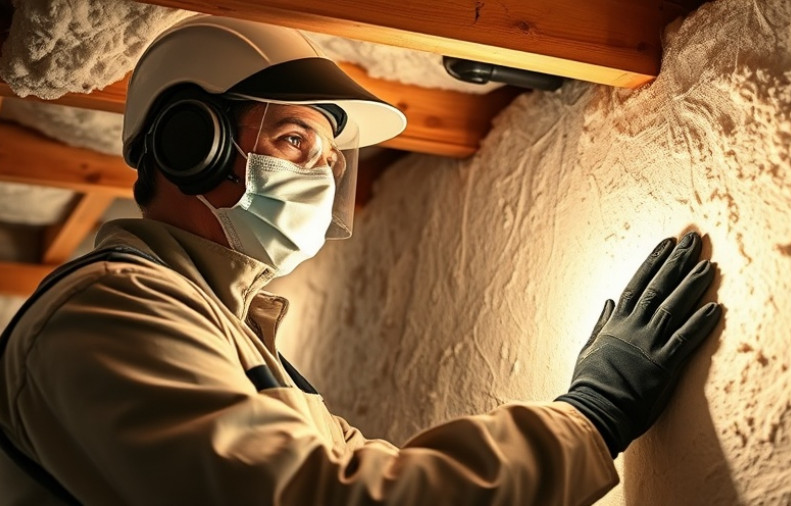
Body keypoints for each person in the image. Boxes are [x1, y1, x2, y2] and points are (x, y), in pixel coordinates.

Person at [0, 15, 722, 506]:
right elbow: (327, 496)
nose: (318, 176)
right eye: (294, 141)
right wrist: (588, 418)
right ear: (191, 143)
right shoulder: (111, 312)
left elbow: (366, 468)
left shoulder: (225, 332)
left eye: (326, 157)